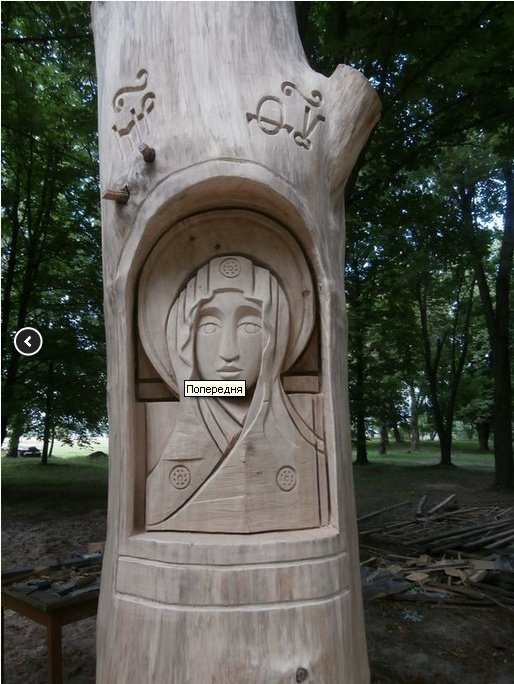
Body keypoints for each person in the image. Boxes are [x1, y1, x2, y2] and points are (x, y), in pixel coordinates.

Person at [146, 255, 323, 533]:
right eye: (209, 327)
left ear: (276, 338)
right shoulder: (169, 455)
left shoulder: (305, 451)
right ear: (183, 341)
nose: (228, 351)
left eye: (250, 326)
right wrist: (196, 389)